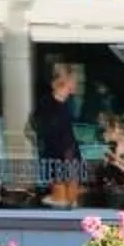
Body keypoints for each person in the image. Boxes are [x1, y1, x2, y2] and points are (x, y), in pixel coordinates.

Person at [30, 58, 86, 206]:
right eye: (73, 80)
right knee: (63, 199)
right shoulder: (48, 106)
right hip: (60, 160)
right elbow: (46, 132)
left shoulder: (65, 104)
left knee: (69, 198)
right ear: (64, 81)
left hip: (65, 160)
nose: (76, 83)